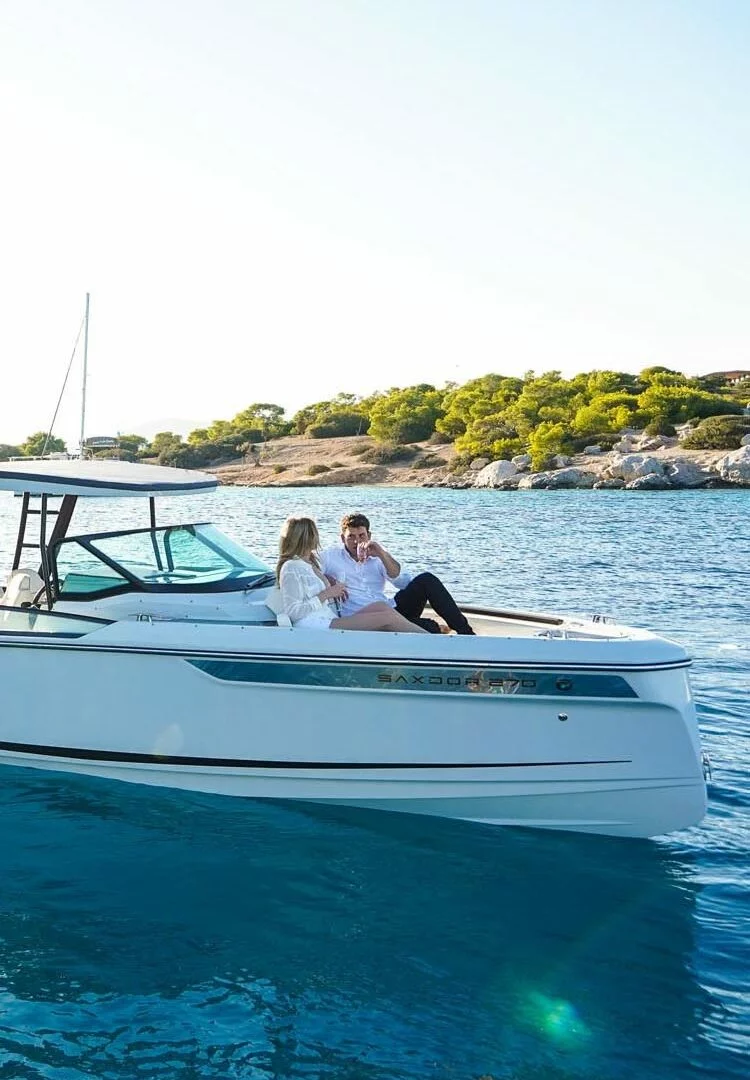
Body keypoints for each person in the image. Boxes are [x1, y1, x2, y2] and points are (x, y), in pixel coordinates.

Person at [321, 512, 475, 634]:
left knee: (426, 580)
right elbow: (309, 565)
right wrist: (326, 578)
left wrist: (382, 554)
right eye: (351, 537)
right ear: (342, 538)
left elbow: (402, 582)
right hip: (360, 618)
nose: (357, 542)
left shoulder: (378, 554)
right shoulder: (330, 556)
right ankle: (433, 628)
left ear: (369, 536)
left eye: (361, 536)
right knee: (430, 627)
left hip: (389, 609)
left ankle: (466, 633)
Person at [276, 516, 427, 633]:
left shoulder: (309, 562)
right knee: (386, 618)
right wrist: (328, 593)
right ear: (306, 538)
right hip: (314, 623)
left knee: (381, 606)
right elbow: (293, 612)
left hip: (327, 617)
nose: (317, 537)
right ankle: (430, 641)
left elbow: (401, 581)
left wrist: (330, 583)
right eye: (314, 533)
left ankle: (421, 637)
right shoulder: (291, 567)